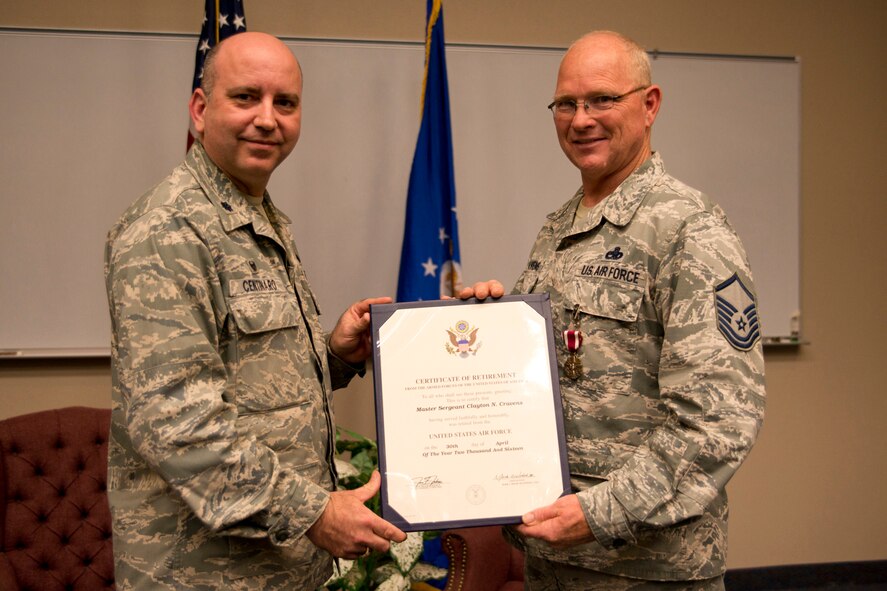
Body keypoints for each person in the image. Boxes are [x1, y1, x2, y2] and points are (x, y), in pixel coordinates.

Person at [463, 31, 765, 589]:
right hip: (553, 559)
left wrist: (601, 513)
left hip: (645, 569)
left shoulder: (689, 229)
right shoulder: (559, 227)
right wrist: (491, 329)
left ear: (649, 105)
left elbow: (721, 416)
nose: (581, 119)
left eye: (603, 99)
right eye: (566, 104)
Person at [104, 32, 405, 590]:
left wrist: (333, 354)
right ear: (200, 109)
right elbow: (180, 422)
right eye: (246, 97)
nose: (267, 119)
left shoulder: (256, 217)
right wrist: (313, 511)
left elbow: (251, 379)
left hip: (280, 569)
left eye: (285, 103)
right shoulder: (168, 231)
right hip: (203, 573)